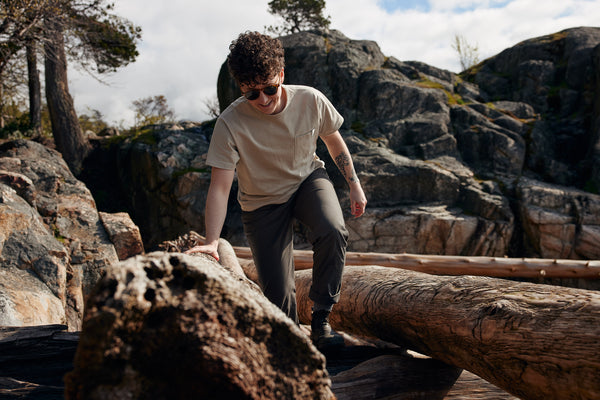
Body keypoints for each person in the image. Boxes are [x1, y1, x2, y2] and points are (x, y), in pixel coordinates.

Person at [185, 31, 367, 351]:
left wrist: (354, 186)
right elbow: (219, 187)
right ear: (241, 88)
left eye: (270, 87)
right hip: (261, 203)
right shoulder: (230, 123)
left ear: (281, 75)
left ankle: (322, 319)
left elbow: (333, 141)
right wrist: (212, 240)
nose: (264, 99)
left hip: (307, 181)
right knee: (279, 298)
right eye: (252, 93)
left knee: (333, 230)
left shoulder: (310, 99)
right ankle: (293, 343)